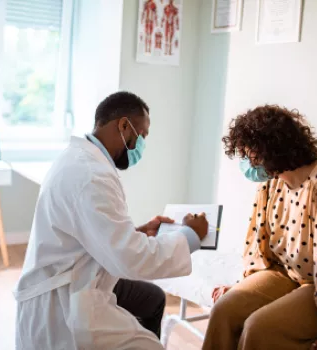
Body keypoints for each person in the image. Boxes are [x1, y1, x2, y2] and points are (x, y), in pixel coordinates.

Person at [14, 91, 208, 350]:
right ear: (124, 126)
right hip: (66, 300)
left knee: (151, 298)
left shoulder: (80, 159)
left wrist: (139, 231)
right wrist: (190, 236)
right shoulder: (92, 175)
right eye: (143, 135)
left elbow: (91, 230)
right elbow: (131, 259)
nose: (142, 146)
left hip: (79, 273)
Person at [203, 105, 317, 350]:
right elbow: (259, 247)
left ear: (271, 149)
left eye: (248, 153)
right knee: (224, 310)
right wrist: (243, 286)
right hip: (289, 275)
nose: (246, 161)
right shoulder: (270, 183)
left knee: (260, 327)